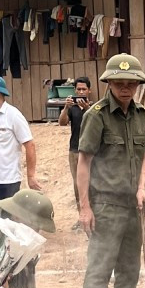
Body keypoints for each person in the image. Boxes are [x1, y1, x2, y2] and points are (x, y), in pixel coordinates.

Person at [77, 53, 145, 288]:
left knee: (129, 269)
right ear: (109, 83)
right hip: (106, 205)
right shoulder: (96, 116)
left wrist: (142, 188)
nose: (125, 88)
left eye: (131, 83)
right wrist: (85, 208)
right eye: (119, 82)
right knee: (100, 268)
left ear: (137, 85)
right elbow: (83, 161)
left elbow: (144, 154)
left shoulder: (141, 116)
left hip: (133, 206)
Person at [0, 73, 41, 200]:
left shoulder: (13, 115)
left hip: (8, 181)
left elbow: (29, 145)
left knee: (7, 218)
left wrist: (30, 176)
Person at [58, 76, 93, 221]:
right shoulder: (71, 108)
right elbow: (62, 123)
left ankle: (94, 215)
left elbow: (97, 121)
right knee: (77, 185)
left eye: (84, 89)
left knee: (92, 184)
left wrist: (87, 109)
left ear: (89, 91)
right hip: (74, 151)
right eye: (78, 89)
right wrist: (66, 107)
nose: (81, 92)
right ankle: (82, 217)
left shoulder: (94, 108)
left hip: (90, 151)